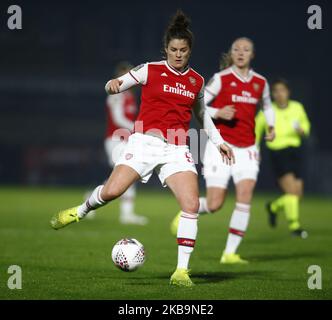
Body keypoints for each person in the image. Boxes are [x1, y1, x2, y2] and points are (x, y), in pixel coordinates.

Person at [50, 10, 234, 287]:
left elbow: (202, 115)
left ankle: (181, 271)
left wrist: (219, 142)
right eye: (173, 49)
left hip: (176, 147)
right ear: (166, 49)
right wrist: (113, 86)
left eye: (183, 50)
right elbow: (118, 84)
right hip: (144, 143)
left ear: (190, 50)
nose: (178, 54)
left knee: (191, 205)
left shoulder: (196, 81)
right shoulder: (151, 69)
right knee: (112, 191)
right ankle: (81, 211)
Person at [171, 37, 275, 264]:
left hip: (248, 149)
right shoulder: (221, 79)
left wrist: (272, 126)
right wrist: (218, 112)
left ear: (252, 54)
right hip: (221, 147)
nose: (240, 52)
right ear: (232, 53)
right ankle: (188, 210)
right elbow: (198, 103)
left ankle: (230, 253)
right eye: (236, 49)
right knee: (216, 203)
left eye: (246, 49)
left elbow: (267, 105)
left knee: (244, 198)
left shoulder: (260, 82)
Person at [255, 78, 310, 238]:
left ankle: (273, 206)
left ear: (288, 92)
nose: (280, 94)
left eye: (282, 90)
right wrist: (255, 150)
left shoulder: (297, 107)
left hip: (295, 151)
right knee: (292, 192)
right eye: (276, 91)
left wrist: (302, 130)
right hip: (278, 152)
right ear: (272, 94)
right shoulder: (267, 111)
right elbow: (256, 131)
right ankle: (295, 227)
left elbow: (306, 125)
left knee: (298, 194)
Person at [103, 61, 148, 225]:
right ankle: (126, 214)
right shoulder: (116, 94)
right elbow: (118, 118)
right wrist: (137, 127)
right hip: (115, 140)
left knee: (119, 177)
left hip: (125, 140)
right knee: (127, 174)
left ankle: (90, 198)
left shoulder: (129, 96)